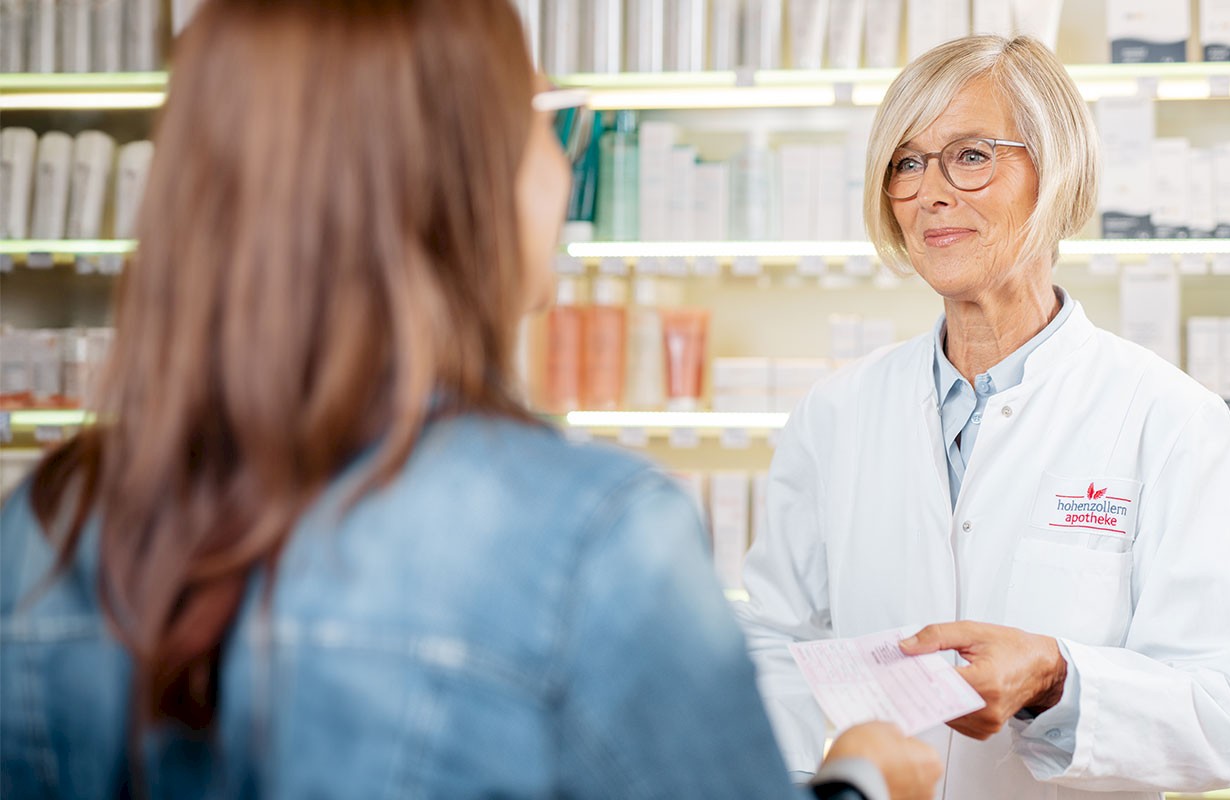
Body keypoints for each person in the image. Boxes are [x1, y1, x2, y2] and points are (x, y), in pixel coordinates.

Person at [0, 2, 943, 798]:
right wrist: (859, 782)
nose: (561, 166)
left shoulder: (46, 524)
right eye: (541, 119)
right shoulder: (590, 539)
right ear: (458, 172)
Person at [734, 34, 1230, 800]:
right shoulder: (837, 412)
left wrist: (1058, 678)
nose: (930, 191)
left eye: (971, 155)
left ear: (1056, 173)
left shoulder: (1168, 417)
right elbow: (773, 646)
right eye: (907, 162)